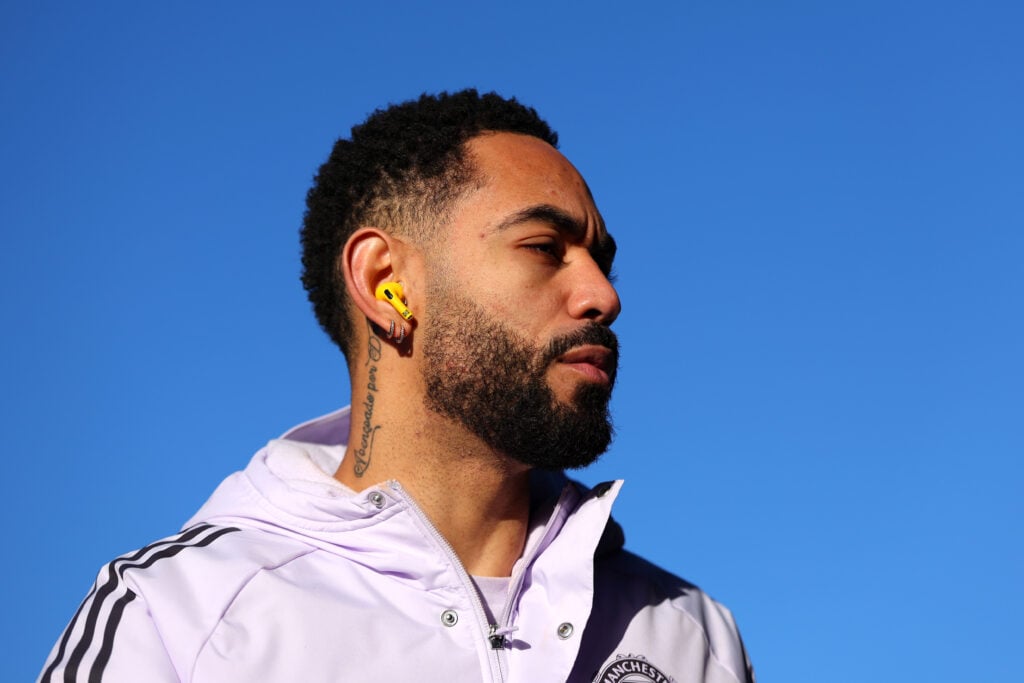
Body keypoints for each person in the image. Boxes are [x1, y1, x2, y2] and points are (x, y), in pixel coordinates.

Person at [40, 89, 754, 683]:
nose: (603, 295)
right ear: (388, 285)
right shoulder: (178, 618)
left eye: (601, 260)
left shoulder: (692, 637)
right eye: (544, 248)